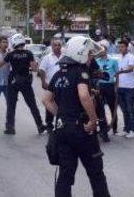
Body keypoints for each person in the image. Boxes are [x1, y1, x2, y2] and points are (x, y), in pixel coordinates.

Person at [42, 35, 110, 197]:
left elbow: (46, 100)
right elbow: (84, 96)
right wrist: (93, 120)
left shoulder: (59, 75)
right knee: (96, 173)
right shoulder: (81, 73)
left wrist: (63, 115)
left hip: (63, 130)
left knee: (65, 175)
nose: (90, 58)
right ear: (80, 54)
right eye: (89, 54)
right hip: (82, 130)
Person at [0, 33, 46, 135]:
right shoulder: (28, 53)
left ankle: (10, 127)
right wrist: (32, 66)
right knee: (32, 105)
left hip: (13, 81)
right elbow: (34, 68)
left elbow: (1, 64)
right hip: (25, 82)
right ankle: (40, 126)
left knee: (11, 105)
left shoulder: (10, 54)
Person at [38, 39, 64, 132]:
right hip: (51, 85)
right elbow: (41, 70)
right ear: (52, 47)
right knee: (49, 103)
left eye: (59, 45)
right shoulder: (47, 58)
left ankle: (60, 122)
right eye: (55, 45)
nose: (57, 46)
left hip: (63, 85)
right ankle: (49, 124)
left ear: (61, 46)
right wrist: (43, 82)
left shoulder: (65, 57)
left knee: (61, 104)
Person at [116, 40, 134, 138]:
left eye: (122, 47)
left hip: (129, 87)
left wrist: (120, 72)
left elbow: (130, 68)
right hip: (121, 87)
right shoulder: (120, 58)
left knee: (130, 109)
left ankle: (132, 130)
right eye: (119, 47)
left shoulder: (131, 57)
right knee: (124, 110)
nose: (120, 49)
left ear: (127, 47)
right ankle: (126, 129)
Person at [95, 48, 118, 137]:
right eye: (99, 50)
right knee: (100, 108)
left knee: (112, 107)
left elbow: (117, 74)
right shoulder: (96, 61)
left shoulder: (113, 61)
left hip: (110, 85)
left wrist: (116, 86)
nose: (100, 52)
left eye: (102, 50)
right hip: (99, 86)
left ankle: (114, 128)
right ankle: (102, 128)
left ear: (105, 51)